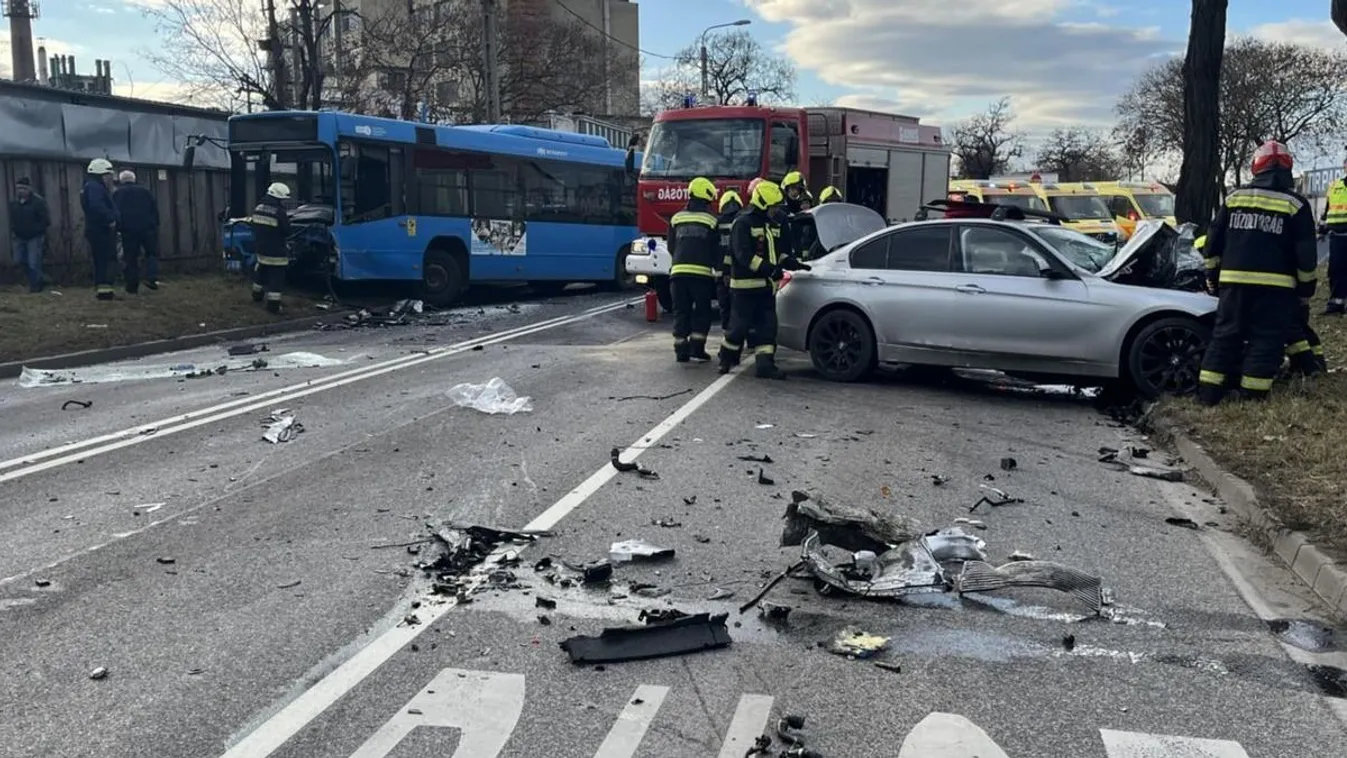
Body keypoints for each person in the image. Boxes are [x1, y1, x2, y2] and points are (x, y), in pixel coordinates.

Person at [1196, 140, 1318, 405]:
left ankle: (1208, 394)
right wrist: (1306, 290)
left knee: (1225, 336)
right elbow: (1306, 256)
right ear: (1287, 168)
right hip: (1277, 289)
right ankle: (1251, 395)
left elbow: (1212, 244)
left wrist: (1212, 278)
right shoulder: (1295, 205)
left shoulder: (1234, 198)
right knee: (1266, 340)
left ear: (1256, 167)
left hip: (1233, 285)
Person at [717, 180, 809, 379]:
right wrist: (770, 270)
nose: (776, 211)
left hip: (766, 288)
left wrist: (794, 264)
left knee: (767, 328)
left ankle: (765, 365)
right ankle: (726, 358)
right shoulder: (743, 223)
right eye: (773, 207)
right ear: (763, 204)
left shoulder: (771, 224)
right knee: (738, 328)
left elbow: (777, 253)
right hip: (744, 288)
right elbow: (744, 256)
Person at [667, 177, 721, 362]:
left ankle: (681, 351)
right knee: (702, 311)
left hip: (677, 274)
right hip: (701, 276)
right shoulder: (712, 220)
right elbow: (716, 249)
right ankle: (697, 348)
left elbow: (671, 247)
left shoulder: (676, 218)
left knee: (681, 311)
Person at [113, 170, 161, 293]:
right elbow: (154, 209)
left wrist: (117, 227)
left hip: (128, 229)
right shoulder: (145, 192)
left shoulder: (117, 193)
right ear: (134, 179)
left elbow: (115, 211)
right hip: (147, 227)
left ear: (121, 180)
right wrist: (155, 224)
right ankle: (152, 278)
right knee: (151, 253)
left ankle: (132, 286)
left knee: (131, 257)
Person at [80, 158, 120, 301]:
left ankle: (103, 289)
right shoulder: (95, 187)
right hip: (101, 229)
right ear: (101, 174)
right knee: (106, 259)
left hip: (95, 228)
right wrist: (110, 219)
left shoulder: (89, 186)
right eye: (108, 175)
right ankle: (105, 291)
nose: (110, 179)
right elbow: (96, 206)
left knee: (101, 260)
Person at [250, 182, 292, 314]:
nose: (284, 203)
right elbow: (287, 231)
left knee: (261, 272)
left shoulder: (259, 207)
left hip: (261, 250)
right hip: (276, 253)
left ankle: (257, 296)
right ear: (278, 198)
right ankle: (273, 306)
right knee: (276, 279)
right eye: (283, 200)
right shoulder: (279, 212)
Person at [9, 177, 50, 293]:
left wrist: (36, 231)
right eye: (18, 188)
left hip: (34, 237)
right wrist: (14, 230)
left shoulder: (38, 202)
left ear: (29, 189)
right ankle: (39, 279)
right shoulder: (15, 203)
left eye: (23, 188)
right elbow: (13, 219)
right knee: (18, 261)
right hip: (19, 236)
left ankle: (35, 286)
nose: (21, 191)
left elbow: (45, 220)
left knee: (33, 262)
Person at [1318, 158, 1347, 314]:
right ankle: (1336, 303)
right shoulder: (1335, 185)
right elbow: (1328, 209)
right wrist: (1322, 228)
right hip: (1336, 234)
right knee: (1336, 269)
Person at [715, 189, 744, 332]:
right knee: (740, 307)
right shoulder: (743, 221)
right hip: (741, 273)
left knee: (724, 305)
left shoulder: (717, 223)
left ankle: (728, 332)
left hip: (721, 273)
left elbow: (711, 246)